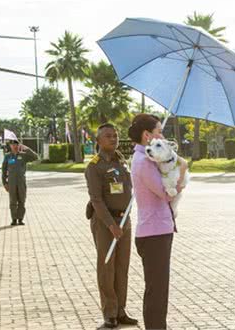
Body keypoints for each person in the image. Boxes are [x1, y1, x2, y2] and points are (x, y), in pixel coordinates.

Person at [129, 114, 187, 330]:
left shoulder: (149, 159)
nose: (162, 135)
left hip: (156, 231)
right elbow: (167, 194)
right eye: (158, 131)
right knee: (156, 290)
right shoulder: (144, 162)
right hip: (154, 234)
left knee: (158, 289)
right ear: (147, 135)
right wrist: (182, 172)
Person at [85, 123, 138, 329]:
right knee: (107, 268)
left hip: (124, 221)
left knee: (122, 268)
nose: (113, 139)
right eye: (108, 136)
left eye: (115, 135)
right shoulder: (94, 166)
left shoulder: (122, 161)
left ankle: (121, 310)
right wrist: (110, 225)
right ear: (98, 141)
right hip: (105, 223)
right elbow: (96, 200)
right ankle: (109, 313)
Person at [1, 139, 38, 225]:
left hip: (21, 181)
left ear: (18, 145)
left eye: (16, 144)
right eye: (12, 144)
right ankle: (14, 219)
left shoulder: (23, 155)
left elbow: (36, 157)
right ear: (10, 146)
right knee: (13, 200)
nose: (14, 146)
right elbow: (3, 171)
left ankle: (20, 219)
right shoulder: (7, 156)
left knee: (22, 199)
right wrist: (5, 183)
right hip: (12, 182)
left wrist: (27, 149)